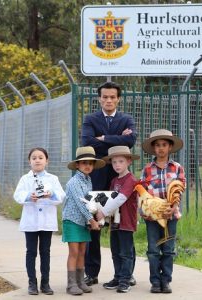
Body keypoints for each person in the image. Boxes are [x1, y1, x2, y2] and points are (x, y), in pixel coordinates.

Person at [81, 81, 137, 286]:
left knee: (122, 227)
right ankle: (92, 272)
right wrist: (116, 140)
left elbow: (131, 141)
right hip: (96, 179)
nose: (109, 100)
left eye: (112, 97)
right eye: (105, 97)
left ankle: (125, 274)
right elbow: (87, 142)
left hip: (120, 179)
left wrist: (103, 138)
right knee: (94, 225)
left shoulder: (126, 119)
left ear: (118, 99)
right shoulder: (90, 119)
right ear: (99, 98)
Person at [13, 147, 65, 295]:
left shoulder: (53, 179)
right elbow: (17, 195)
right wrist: (29, 197)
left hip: (47, 222)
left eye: (40, 157)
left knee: (45, 252)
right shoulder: (25, 179)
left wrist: (52, 194)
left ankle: (45, 283)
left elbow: (61, 196)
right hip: (30, 221)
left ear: (46, 161)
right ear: (30, 161)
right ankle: (32, 283)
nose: (37, 160)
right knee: (31, 252)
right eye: (34, 158)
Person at [140, 129, 186, 294]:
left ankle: (166, 280)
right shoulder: (147, 169)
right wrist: (150, 209)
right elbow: (143, 192)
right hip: (152, 216)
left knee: (168, 248)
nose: (161, 148)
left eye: (164, 145)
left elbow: (180, 189)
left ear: (170, 147)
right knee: (153, 249)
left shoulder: (177, 168)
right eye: (157, 145)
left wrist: (172, 207)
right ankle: (155, 281)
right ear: (153, 148)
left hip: (170, 214)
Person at [62, 146, 105, 295]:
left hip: (83, 222)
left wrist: (96, 215)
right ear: (77, 165)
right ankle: (71, 284)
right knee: (74, 251)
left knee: (82, 252)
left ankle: (80, 281)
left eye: (91, 163)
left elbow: (90, 201)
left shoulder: (88, 181)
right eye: (84, 162)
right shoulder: (73, 182)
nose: (88, 166)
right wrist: (92, 221)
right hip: (72, 220)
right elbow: (81, 203)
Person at [96, 146, 139, 293]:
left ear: (128, 162)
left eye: (121, 161)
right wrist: (105, 216)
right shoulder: (114, 180)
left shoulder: (131, 179)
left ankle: (125, 280)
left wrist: (103, 211)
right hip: (115, 222)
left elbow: (121, 198)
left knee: (126, 252)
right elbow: (109, 199)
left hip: (126, 221)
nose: (117, 165)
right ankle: (118, 276)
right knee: (115, 251)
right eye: (114, 162)